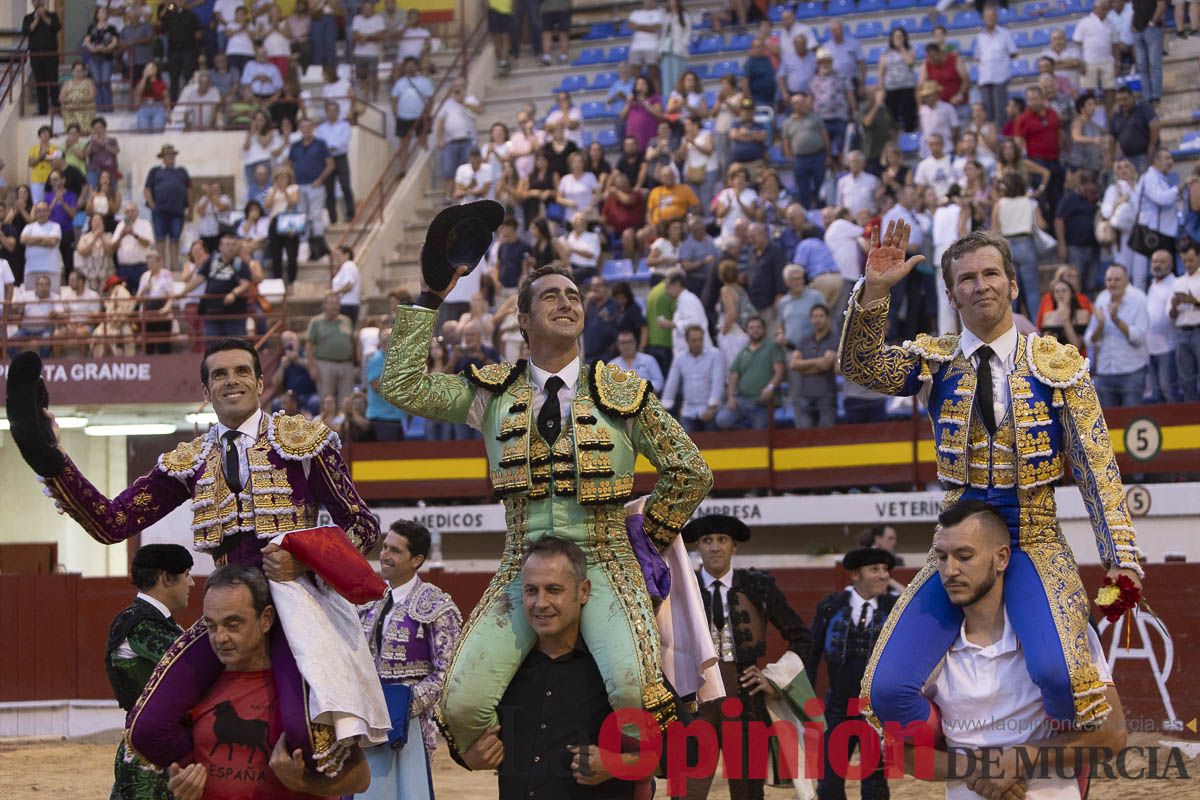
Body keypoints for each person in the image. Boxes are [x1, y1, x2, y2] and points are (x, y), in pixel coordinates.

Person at [379, 259, 713, 757]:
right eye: (552, 296)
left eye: (574, 295)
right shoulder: (490, 393)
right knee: (462, 706)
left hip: (604, 563)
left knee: (632, 693)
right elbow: (401, 386)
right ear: (523, 320)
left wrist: (645, 538)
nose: (567, 302)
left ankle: (615, 771)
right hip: (523, 565)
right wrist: (429, 298)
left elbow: (691, 471)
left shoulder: (621, 392)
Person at [11, 338, 384, 777]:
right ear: (206, 392)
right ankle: (218, 781)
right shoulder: (192, 461)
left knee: (309, 739)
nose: (232, 381)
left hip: (296, 609)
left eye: (242, 372)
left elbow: (364, 528)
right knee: (148, 727)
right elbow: (111, 523)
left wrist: (305, 561)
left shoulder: (302, 444)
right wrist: (52, 459)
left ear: (261, 383)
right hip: (226, 610)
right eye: (220, 375)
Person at [838, 223, 1142, 736]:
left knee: (1063, 678)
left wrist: (1122, 557)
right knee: (887, 691)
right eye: (967, 278)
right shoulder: (935, 361)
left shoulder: (1059, 367)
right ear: (952, 293)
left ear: (1013, 284)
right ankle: (969, 752)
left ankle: (1056, 771)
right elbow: (859, 365)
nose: (981, 285)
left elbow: (1098, 470)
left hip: (1033, 539)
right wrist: (874, 293)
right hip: (957, 543)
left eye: (991, 274)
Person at [904, 500, 1127, 800]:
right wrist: (977, 769)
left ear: (1001, 558)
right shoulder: (928, 648)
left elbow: (1112, 735)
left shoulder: (1061, 633)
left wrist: (1025, 757)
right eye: (941, 558)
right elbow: (902, 755)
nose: (950, 570)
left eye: (964, 556)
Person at [458, 536, 649, 798]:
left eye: (554, 590)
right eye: (531, 590)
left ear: (583, 592)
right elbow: (465, 745)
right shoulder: (500, 670)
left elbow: (689, 750)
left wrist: (618, 764)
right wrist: (468, 757)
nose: (540, 603)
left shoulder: (617, 668)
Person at [165, 564, 372, 799]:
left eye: (233, 625)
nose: (220, 638)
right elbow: (184, 770)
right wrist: (180, 788)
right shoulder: (198, 688)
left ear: (265, 619)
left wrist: (304, 783)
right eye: (212, 626)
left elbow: (361, 777)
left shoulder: (307, 689)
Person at [682, 514, 818, 800]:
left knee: (748, 793)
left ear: (735, 547)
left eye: (722, 540)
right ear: (697, 547)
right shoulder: (682, 588)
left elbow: (803, 638)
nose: (715, 547)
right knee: (687, 791)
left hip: (744, 703)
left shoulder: (758, 586)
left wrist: (774, 680)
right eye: (707, 540)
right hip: (695, 703)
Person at [355, 520, 462, 800]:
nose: (385, 555)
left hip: (409, 723)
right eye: (385, 547)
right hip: (366, 720)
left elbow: (446, 673)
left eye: (395, 551)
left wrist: (401, 705)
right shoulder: (368, 600)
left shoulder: (437, 606)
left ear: (417, 560)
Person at [808, 547, 897, 800]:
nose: (883, 575)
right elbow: (812, 655)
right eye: (875, 570)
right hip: (838, 706)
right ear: (856, 575)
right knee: (829, 785)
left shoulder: (895, 607)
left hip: (876, 710)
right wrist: (807, 700)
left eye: (885, 570)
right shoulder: (830, 607)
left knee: (875, 785)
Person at [107, 544, 194, 800]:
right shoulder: (141, 624)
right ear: (167, 578)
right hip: (150, 756)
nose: (191, 583)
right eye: (187, 574)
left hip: (155, 747)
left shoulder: (147, 621)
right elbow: (191, 662)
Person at [1086, 263, 1150, 407]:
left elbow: (1138, 338)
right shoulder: (1101, 299)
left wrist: (1117, 321)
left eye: (1117, 279)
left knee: (1131, 422)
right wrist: (1100, 326)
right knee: (1110, 424)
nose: (1112, 283)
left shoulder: (1139, 299)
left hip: (1131, 372)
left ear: (1126, 281)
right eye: (1109, 280)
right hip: (1105, 372)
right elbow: (1090, 340)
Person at [177, 233, 252, 339]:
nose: (230, 248)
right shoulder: (211, 261)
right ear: (220, 247)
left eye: (233, 245)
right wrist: (183, 292)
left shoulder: (240, 264)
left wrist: (234, 293)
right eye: (227, 245)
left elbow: (245, 284)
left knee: (234, 347)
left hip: (234, 314)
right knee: (212, 346)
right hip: (212, 313)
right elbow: (199, 279)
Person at [717, 316, 785, 431]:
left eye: (758, 327)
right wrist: (731, 397)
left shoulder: (772, 347)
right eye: (751, 327)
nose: (755, 330)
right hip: (742, 401)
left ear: (764, 329)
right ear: (747, 331)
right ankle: (743, 432)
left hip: (762, 404)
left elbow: (780, 372)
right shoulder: (743, 351)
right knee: (722, 420)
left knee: (760, 434)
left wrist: (770, 387)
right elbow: (733, 375)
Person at [662, 325, 725, 433]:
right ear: (687, 341)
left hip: (710, 408)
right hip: (688, 409)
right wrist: (664, 405)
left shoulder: (715, 354)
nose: (698, 343)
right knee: (686, 445)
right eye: (694, 340)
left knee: (712, 443)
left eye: (700, 339)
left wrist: (712, 407)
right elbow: (672, 382)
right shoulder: (680, 358)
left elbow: (718, 382)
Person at [144, 145, 192, 272]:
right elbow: (147, 188)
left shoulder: (182, 171)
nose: (171, 157)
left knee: (175, 239)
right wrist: (152, 205)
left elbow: (189, 190)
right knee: (160, 239)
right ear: (163, 157)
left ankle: (175, 267)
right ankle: (162, 267)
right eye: (168, 155)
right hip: (160, 211)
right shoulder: (155, 171)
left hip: (178, 211)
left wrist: (190, 208)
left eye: (173, 154)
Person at [790, 304, 839, 428]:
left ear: (828, 318)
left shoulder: (835, 340)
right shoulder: (804, 341)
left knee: (826, 437)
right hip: (805, 395)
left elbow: (825, 365)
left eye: (821, 316)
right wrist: (817, 362)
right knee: (805, 438)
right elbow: (794, 364)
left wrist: (804, 367)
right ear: (811, 319)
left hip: (826, 397)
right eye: (814, 316)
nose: (817, 319)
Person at [307, 292, 358, 405]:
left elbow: (353, 341)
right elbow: (309, 346)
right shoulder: (316, 322)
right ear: (325, 305)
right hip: (325, 365)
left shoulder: (347, 321)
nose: (334, 306)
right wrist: (312, 367)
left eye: (336, 303)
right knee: (326, 401)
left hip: (346, 365)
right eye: (331, 303)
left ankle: (343, 422)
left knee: (346, 402)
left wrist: (355, 362)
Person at [971, 4, 1018, 125]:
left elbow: (1013, 52)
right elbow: (977, 56)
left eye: (992, 16)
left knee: (1001, 111)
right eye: (987, 16)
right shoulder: (980, 36)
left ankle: (1002, 137)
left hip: (1000, 76)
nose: (990, 18)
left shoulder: (1005, 33)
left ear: (996, 17)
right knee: (987, 112)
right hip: (985, 77)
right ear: (983, 18)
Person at [1146, 249, 1180, 403]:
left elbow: (1170, 315)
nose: (1157, 265)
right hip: (1150, 348)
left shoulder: (1175, 284)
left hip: (1168, 347)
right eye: (1154, 261)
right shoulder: (1152, 285)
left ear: (1171, 264)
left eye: (1162, 261)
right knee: (1156, 393)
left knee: (1169, 390)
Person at [317, 100, 356, 224]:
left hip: (340, 158)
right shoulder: (321, 128)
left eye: (334, 110)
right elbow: (320, 143)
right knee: (329, 190)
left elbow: (344, 141)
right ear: (326, 112)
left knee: (345, 185)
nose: (332, 113)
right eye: (329, 110)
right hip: (327, 160)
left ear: (338, 112)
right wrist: (329, 149)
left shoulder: (344, 125)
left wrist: (333, 147)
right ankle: (332, 218)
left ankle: (351, 213)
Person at [1170, 241, 1200, 401]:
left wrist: (1194, 301)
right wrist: (1175, 306)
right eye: (1184, 261)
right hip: (1182, 332)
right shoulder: (1177, 282)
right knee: (1186, 379)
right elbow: (1171, 314)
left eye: (1191, 260)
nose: (1188, 264)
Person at [22, 0, 61, 115]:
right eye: (35, 0)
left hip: (51, 54)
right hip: (36, 55)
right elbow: (26, 32)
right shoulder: (28, 18)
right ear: (32, 3)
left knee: (53, 81)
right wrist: (37, 19)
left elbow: (56, 27)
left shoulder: (52, 15)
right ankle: (43, 110)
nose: (38, 2)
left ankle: (56, 107)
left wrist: (43, 16)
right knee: (40, 83)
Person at [331, 244, 362, 324]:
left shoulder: (348, 266)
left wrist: (333, 293)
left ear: (347, 255)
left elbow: (349, 285)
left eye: (339, 255)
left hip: (347, 305)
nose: (337, 258)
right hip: (347, 304)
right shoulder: (346, 267)